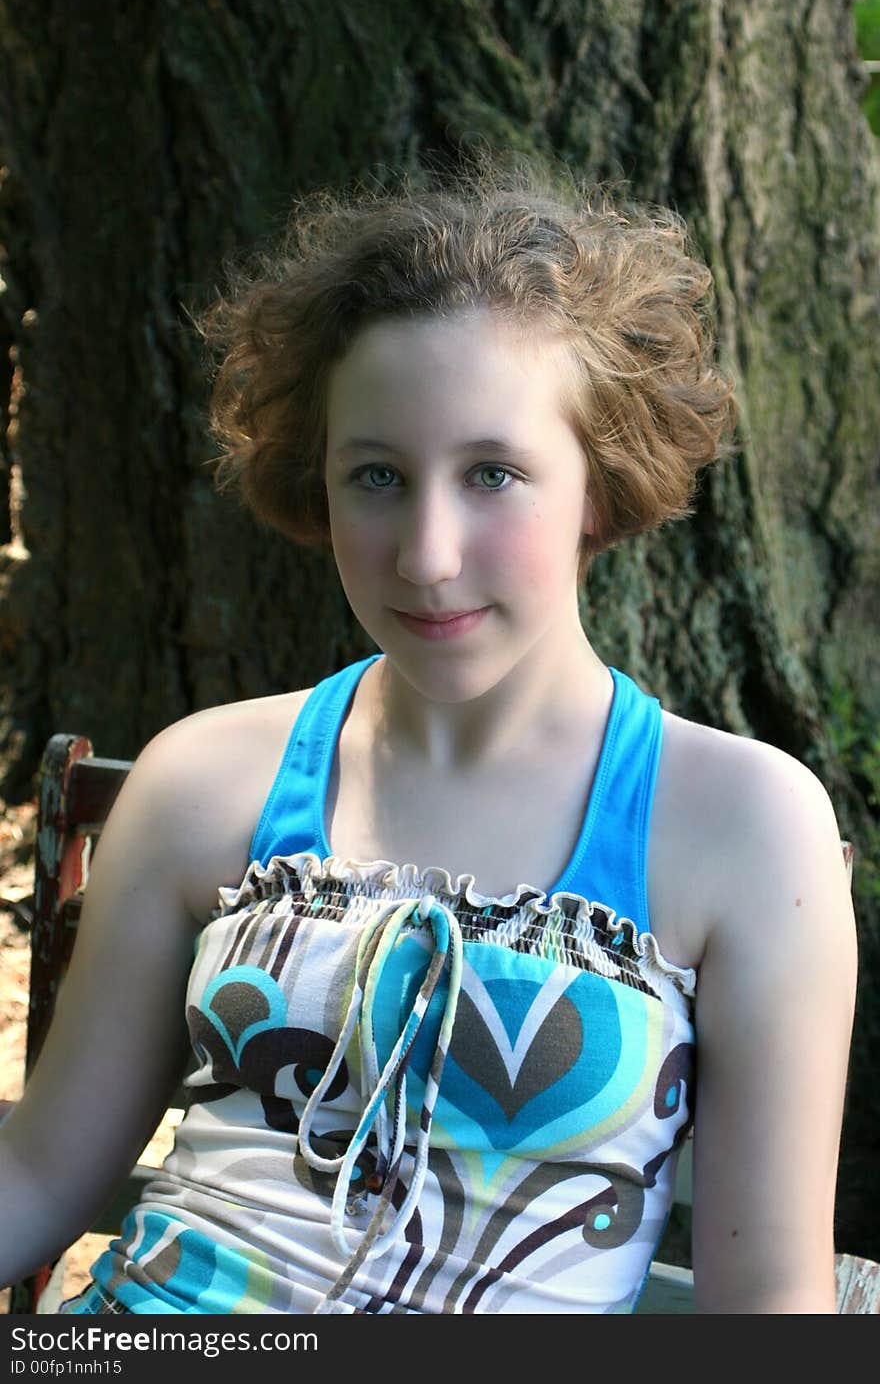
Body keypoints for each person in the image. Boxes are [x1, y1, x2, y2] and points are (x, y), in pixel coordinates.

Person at [0, 153, 857, 1315]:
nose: (427, 554)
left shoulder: (740, 827)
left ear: (597, 487)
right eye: (377, 477)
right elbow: (43, 1170)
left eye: (494, 472)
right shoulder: (207, 779)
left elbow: (768, 1311)